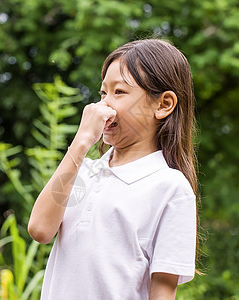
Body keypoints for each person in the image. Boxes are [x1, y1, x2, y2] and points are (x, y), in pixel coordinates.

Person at [28, 38, 200, 300]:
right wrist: (81, 142)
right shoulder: (82, 172)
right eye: (102, 93)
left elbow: (163, 291)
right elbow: (40, 229)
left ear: (163, 104)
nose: (104, 105)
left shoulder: (171, 187)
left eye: (119, 92)